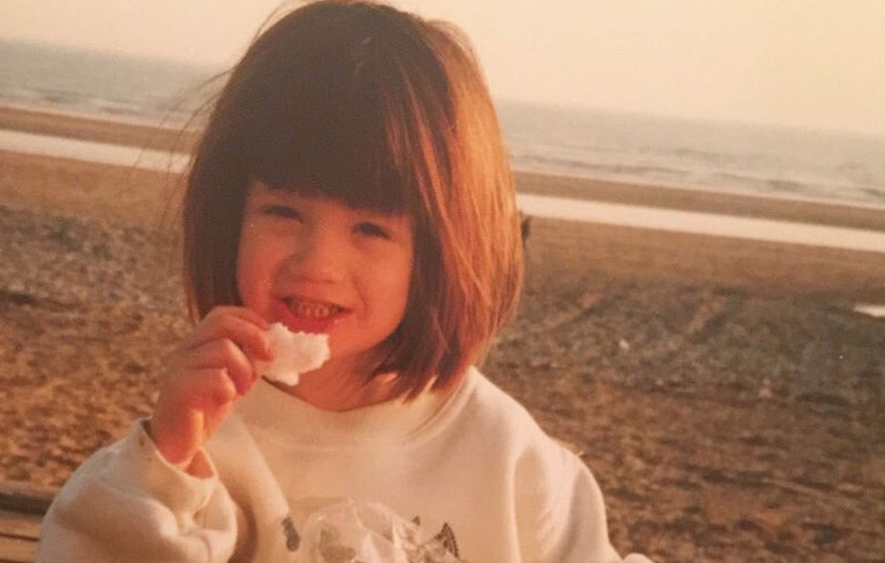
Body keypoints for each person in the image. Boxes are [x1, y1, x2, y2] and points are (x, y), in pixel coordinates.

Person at [37, 1, 652, 561]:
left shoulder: (507, 462)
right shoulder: (205, 443)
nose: (316, 263)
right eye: (283, 212)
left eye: (371, 229)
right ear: (230, 215)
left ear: (441, 251)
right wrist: (164, 460)